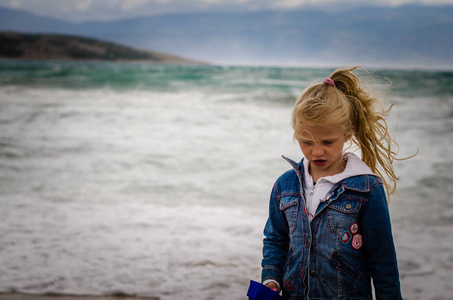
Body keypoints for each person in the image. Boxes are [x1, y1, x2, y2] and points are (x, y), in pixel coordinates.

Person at [261, 66, 404, 299]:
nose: (317, 151)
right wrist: (270, 278)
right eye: (306, 141)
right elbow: (276, 239)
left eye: (327, 141)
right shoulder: (284, 186)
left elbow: (383, 265)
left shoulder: (367, 190)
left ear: (348, 133)